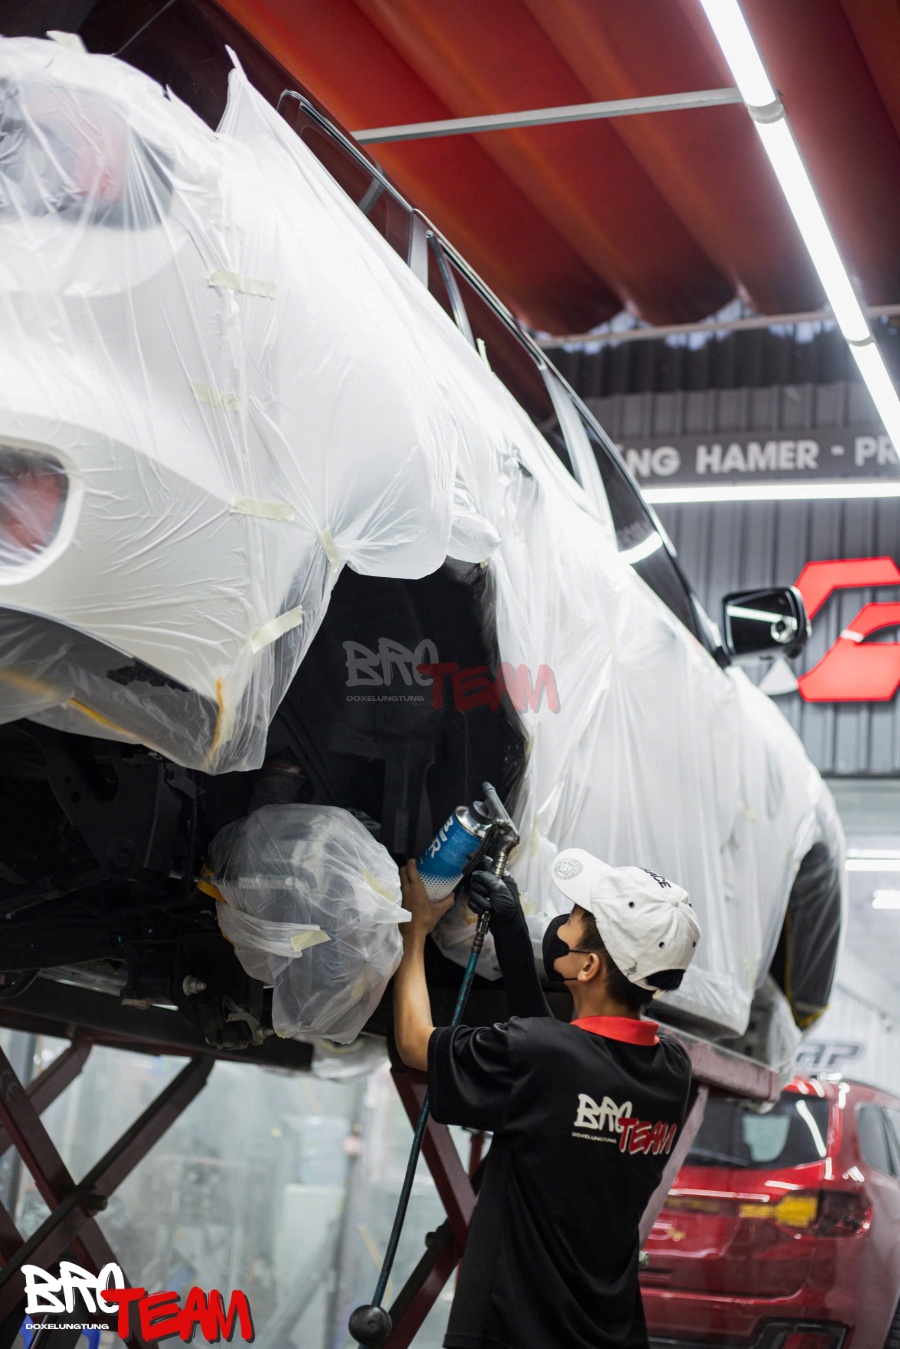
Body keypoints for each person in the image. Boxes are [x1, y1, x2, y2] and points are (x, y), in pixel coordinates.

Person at [392, 848, 702, 1349]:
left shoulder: (546, 1056)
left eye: (576, 917)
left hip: (509, 1333)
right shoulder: (671, 1068)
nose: (563, 922)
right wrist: (513, 937)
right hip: (609, 1334)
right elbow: (555, 1068)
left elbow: (413, 1041)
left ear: (589, 966)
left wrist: (414, 932)